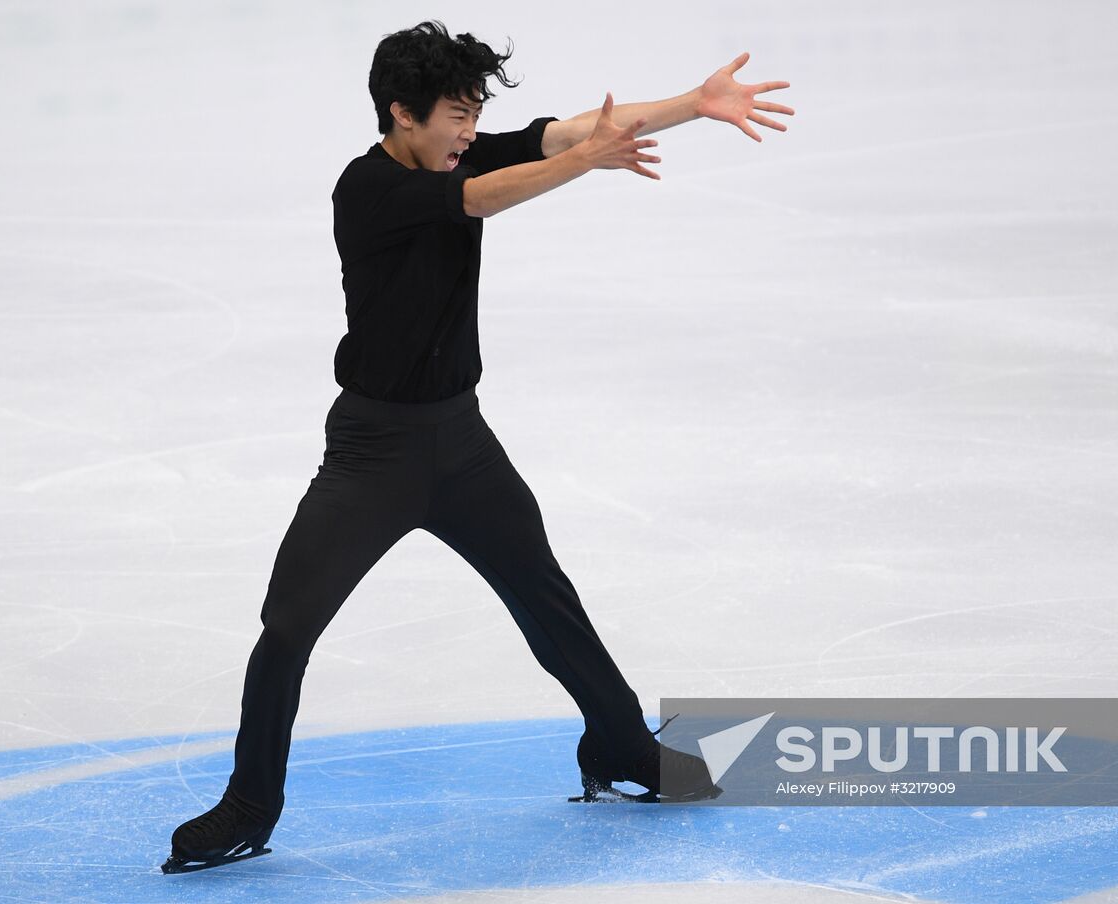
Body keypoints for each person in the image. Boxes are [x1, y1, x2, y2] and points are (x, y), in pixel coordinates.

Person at [161, 19, 793, 874]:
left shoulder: (456, 153)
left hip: (460, 443)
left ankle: (621, 748)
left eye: (474, 115)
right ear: (401, 115)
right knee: (288, 624)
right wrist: (581, 163)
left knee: (544, 595)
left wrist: (692, 104)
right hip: (372, 453)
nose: (469, 132)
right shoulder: (368, 188)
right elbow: (489, 195)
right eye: (456, 116)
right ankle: (249, 802)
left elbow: (572, 130)